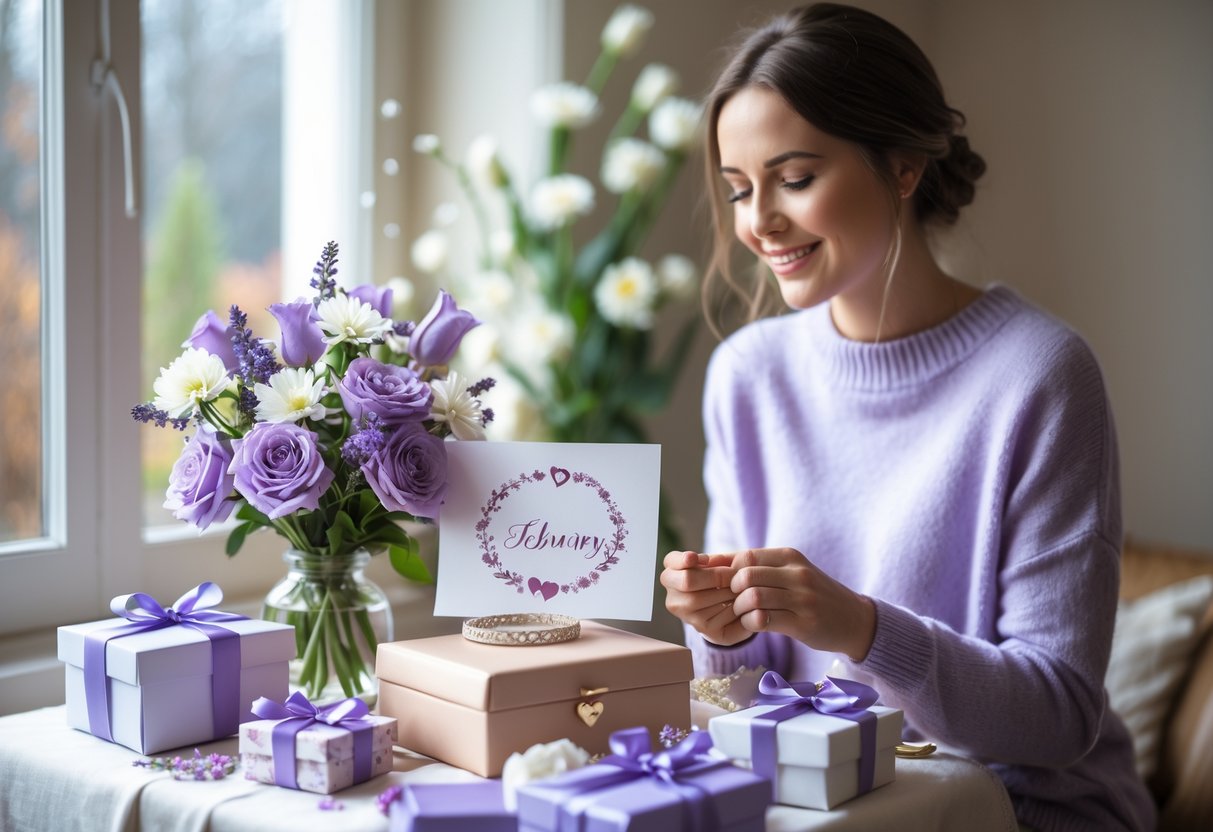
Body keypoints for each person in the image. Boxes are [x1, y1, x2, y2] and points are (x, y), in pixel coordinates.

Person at [659, 4, 1155, 830]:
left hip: (1021, 808)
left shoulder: (1039, 374)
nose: (757, 222)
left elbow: (1059, 715)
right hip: (825, 800)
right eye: (739, 189)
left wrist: (859, 627)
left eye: (794, 178)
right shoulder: (747, 376)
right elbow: (742, 696)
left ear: (900, 168)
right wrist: (722, 631)